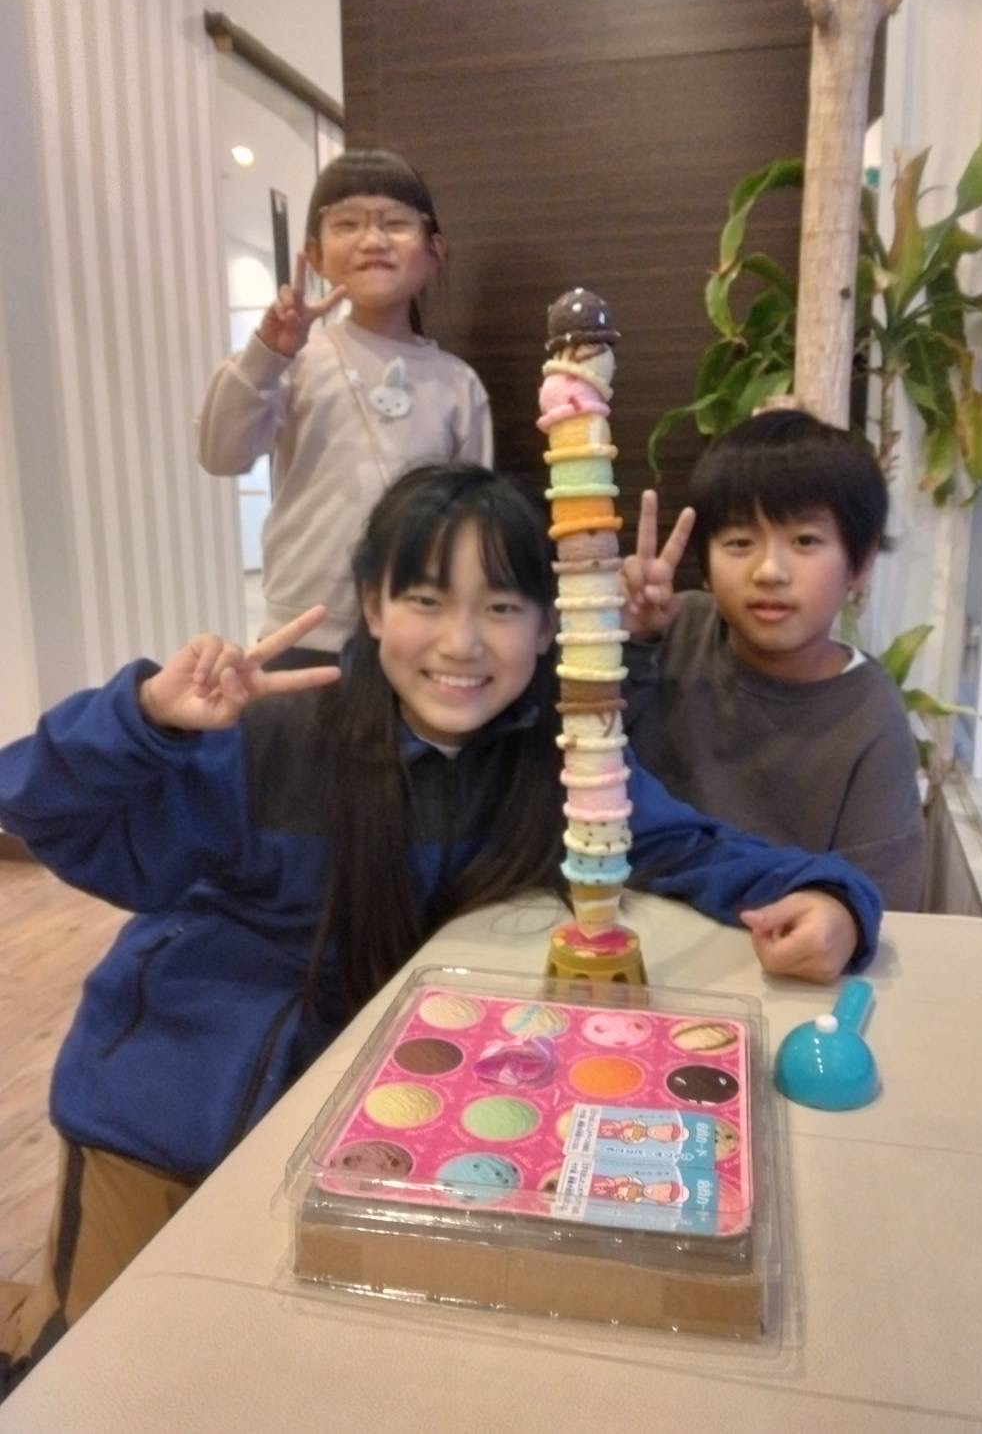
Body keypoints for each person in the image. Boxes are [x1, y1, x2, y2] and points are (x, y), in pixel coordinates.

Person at [0, 463, 879, 1391]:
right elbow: (34, 804)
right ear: (373, 606)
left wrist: (830, 899)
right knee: (101, 1378)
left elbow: (699, 847)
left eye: (500, 607)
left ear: (545, 628)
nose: (462, 642)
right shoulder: (272, 735)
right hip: (174, 1128)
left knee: (300, 1386)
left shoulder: (563, 765)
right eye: (426, 599)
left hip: (389, 1143)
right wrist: (147, 720)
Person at [197, 148, 493, 666]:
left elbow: (475, 520)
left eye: (396, 224)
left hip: (415, 631)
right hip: (302, 629)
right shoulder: (292, 359)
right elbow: (221, 455)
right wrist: (266, 354)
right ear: (314, 253)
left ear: (435, 251)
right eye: (347, 224)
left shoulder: (457, 383)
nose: (373, 240)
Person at [622, 409, 925, 911]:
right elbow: (580, 768)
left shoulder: (872, 716)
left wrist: (839, 918)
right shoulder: (671, 633)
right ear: (705, 563)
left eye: (805, 541)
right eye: (739, 542)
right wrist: (630, 642)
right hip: (635, 931)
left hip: (778, 948)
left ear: (860, 563)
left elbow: (883, 905)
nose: (769, 571)